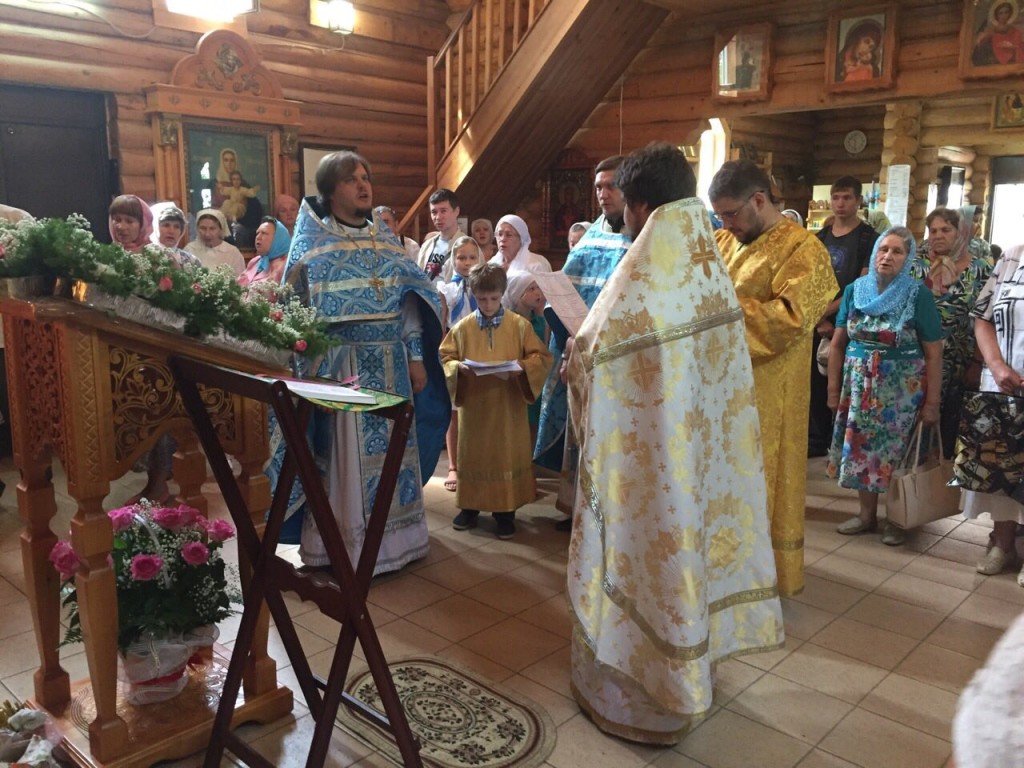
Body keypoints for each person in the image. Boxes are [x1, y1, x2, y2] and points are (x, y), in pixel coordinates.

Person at [567, 142, 783, 745]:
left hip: (651, 468)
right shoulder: (707, 261)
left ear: (638, 205)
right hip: (703, 456)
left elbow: (595, 350)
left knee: (647, 563)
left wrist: (575, 363)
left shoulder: (651, 265)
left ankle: (640, 696)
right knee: (689, 561)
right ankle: (693, 678)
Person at [270, 150, 449, 575]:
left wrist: (418, 358)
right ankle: (342, 547)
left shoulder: (385, 239)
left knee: (394, 456)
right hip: (340, 368)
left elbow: (410, 306)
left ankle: (397, 544)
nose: (364, 185)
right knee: (343, 460)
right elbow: (293, 315)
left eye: (366, 177)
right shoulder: (311, 245)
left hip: (391, 361)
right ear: (331, 190)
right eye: (352, 179)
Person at [711, 159, 837, 597]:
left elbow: (792, 318)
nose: (725, 224)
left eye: (731, 213)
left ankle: (759, 580)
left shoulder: (804, 249)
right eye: (719, 216)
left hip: (772, 391)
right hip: (719, 388)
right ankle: (720, 575)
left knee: (762, 480)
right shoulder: (723, 240)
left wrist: (718, 311)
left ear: (758, 200)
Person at [827, 227, 943, 546]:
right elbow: (838, 345)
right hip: (859, 386)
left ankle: (897, 520)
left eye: (897, 252)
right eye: (883, 249)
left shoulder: (917, 294)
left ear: (908, 260)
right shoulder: (855, 290)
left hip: (902, 390)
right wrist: (833, 391)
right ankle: (866, 516)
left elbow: (934, 352)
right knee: (863, 450)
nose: (887, 256)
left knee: (896, 453)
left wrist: (932, 402)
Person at [534, 155, 632, 528]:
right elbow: (564, 290)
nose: (603, 194)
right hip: (577, 350)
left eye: (611, 186)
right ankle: (578, 507)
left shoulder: (640, 237)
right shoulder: (592, 234)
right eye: (598, 187)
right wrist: (567, 344)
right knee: (580, 432)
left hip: (615, 355)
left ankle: (610, 513)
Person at [441, 262, 552, 539]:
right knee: (474, 454)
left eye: (493, 298)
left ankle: (505, 512)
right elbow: (446, 357)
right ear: (474, 295)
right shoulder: (463, 328)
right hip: (475, 407)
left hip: (507, 406)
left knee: (504, 454)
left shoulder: (519, 326)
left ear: (502, 294)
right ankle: (469, 507)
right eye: (481, 299)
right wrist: (458, 369)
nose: (488, 305)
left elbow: (541, 357)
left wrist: (521, 367)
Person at [961, 242, 1024, 581]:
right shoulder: (1013, 256)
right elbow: (982, 318)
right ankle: (1002, 544)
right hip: (1001, 382)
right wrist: (996, 364)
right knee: (1002, 466)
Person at [911, 207, 993, 456]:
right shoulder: (916, 266)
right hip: (917, 358)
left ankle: (942, 486)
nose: (938, 235)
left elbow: (987, 319)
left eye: (946, 230)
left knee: (950, 431)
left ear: (961, 232)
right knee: (916, 429)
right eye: (933, 230)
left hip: (961, 361)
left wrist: (978, 362)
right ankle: (912, 488)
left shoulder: (980, 270)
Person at [809, 177, 878, 457]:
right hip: (817, 321)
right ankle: (815, 441)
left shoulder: (868, 238)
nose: (840, 203)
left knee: (845, 385)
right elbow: (807, 282)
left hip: (849, 321)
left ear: (858, 201)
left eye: (847, 198)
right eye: (836, 197)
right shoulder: (819, 239)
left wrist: (831, 315)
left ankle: (840, 443)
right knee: (816, 383)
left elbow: (862, 286)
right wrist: (816, 318)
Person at [437, 235, 483, 492]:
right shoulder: (447, 290)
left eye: (472, 257)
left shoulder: (484, 288)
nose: (467, 263)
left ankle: (476, 460)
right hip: (457, 351)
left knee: (477, 409)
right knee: (454, 409)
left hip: (481, 350)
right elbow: (444, 324)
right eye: (462, 257)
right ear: (453, 260)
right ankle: (454, 465)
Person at [503, 271, 549, 443]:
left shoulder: (540, 320)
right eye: (531, 289)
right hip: (518, 378)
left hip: (536, 377)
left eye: (538, 288)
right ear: (517, 294)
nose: (538, 293)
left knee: (534, 421)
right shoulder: (512, 322)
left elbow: (544, 348)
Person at [416, 189, 465, 283]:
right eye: (434, 212)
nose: (438, 217)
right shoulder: (427, 245)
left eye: (443, 211)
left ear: (456, 211)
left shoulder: (468, 245)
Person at [185, 208, 245, 276]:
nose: (207, 234)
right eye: (203, 228)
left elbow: (240, 281)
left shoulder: (233, 253)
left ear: (221, 229)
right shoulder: (189, 250)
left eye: (212, 228)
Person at [238, 216, 291, 287]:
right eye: (257, 233)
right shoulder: (255, 261)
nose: (258, 237)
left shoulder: (286, 266)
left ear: (278, 238)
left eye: (264, 233)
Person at [972, 1, 1024, 66]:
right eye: (1000, 13)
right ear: (996, 15)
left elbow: (1019, 46)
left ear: (1010, 13)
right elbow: (981, 45)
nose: (1003, 15)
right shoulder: (990, 31)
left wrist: (1012, 46)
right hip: (993, 61)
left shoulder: (1015, 31)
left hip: (1010, 60)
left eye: (1006, 12)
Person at [150, 203, 200, 268]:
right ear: (155, 227)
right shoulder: (144, 259)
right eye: (166, 225)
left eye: (176, 227)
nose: (171, 231)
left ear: (181, 231)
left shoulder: (192, 261)